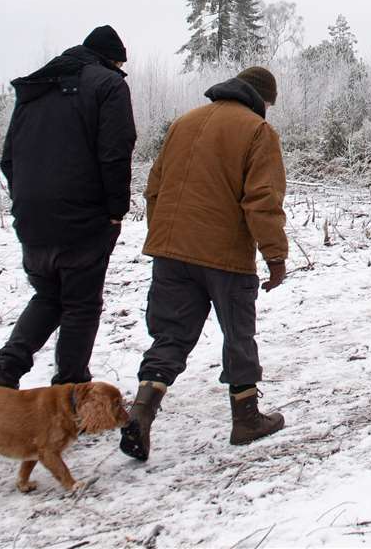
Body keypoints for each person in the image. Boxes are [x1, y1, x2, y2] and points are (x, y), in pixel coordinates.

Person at [120, 66, 289, 462]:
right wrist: (275, 256)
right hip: (225, 256)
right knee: (237, 335)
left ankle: (142, 410)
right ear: (260, 98)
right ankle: (246, 419)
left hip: (171, 252)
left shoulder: (184, 123)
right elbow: (262, 199)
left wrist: (165, 238)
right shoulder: (257, 131)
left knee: (170, 336)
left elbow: (154, 187)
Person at [0, 25, 137, 389]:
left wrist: (26, 200)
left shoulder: (36, 88)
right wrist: (117, 209)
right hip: (84, 217)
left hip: (32, 214)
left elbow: (9, 158)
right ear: (112, 60)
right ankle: (71, 392)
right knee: (81, 305)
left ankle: (3, 377)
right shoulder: (109, 85)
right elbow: (116, 152)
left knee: (47, 296)